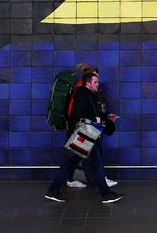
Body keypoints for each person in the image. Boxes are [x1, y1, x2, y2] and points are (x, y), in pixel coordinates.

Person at [45, 71, 123, 204]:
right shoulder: (82, 94)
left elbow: (91, 113)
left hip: (84, 136)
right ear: (88, 83)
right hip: (84, 136)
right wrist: (99, 120)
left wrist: (106, 117)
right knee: (94, 165)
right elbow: (80, 115)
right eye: (95, 82)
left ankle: (52, 191)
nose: (98, 84)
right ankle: (105, 194)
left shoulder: (87, 95)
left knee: (72, 165)